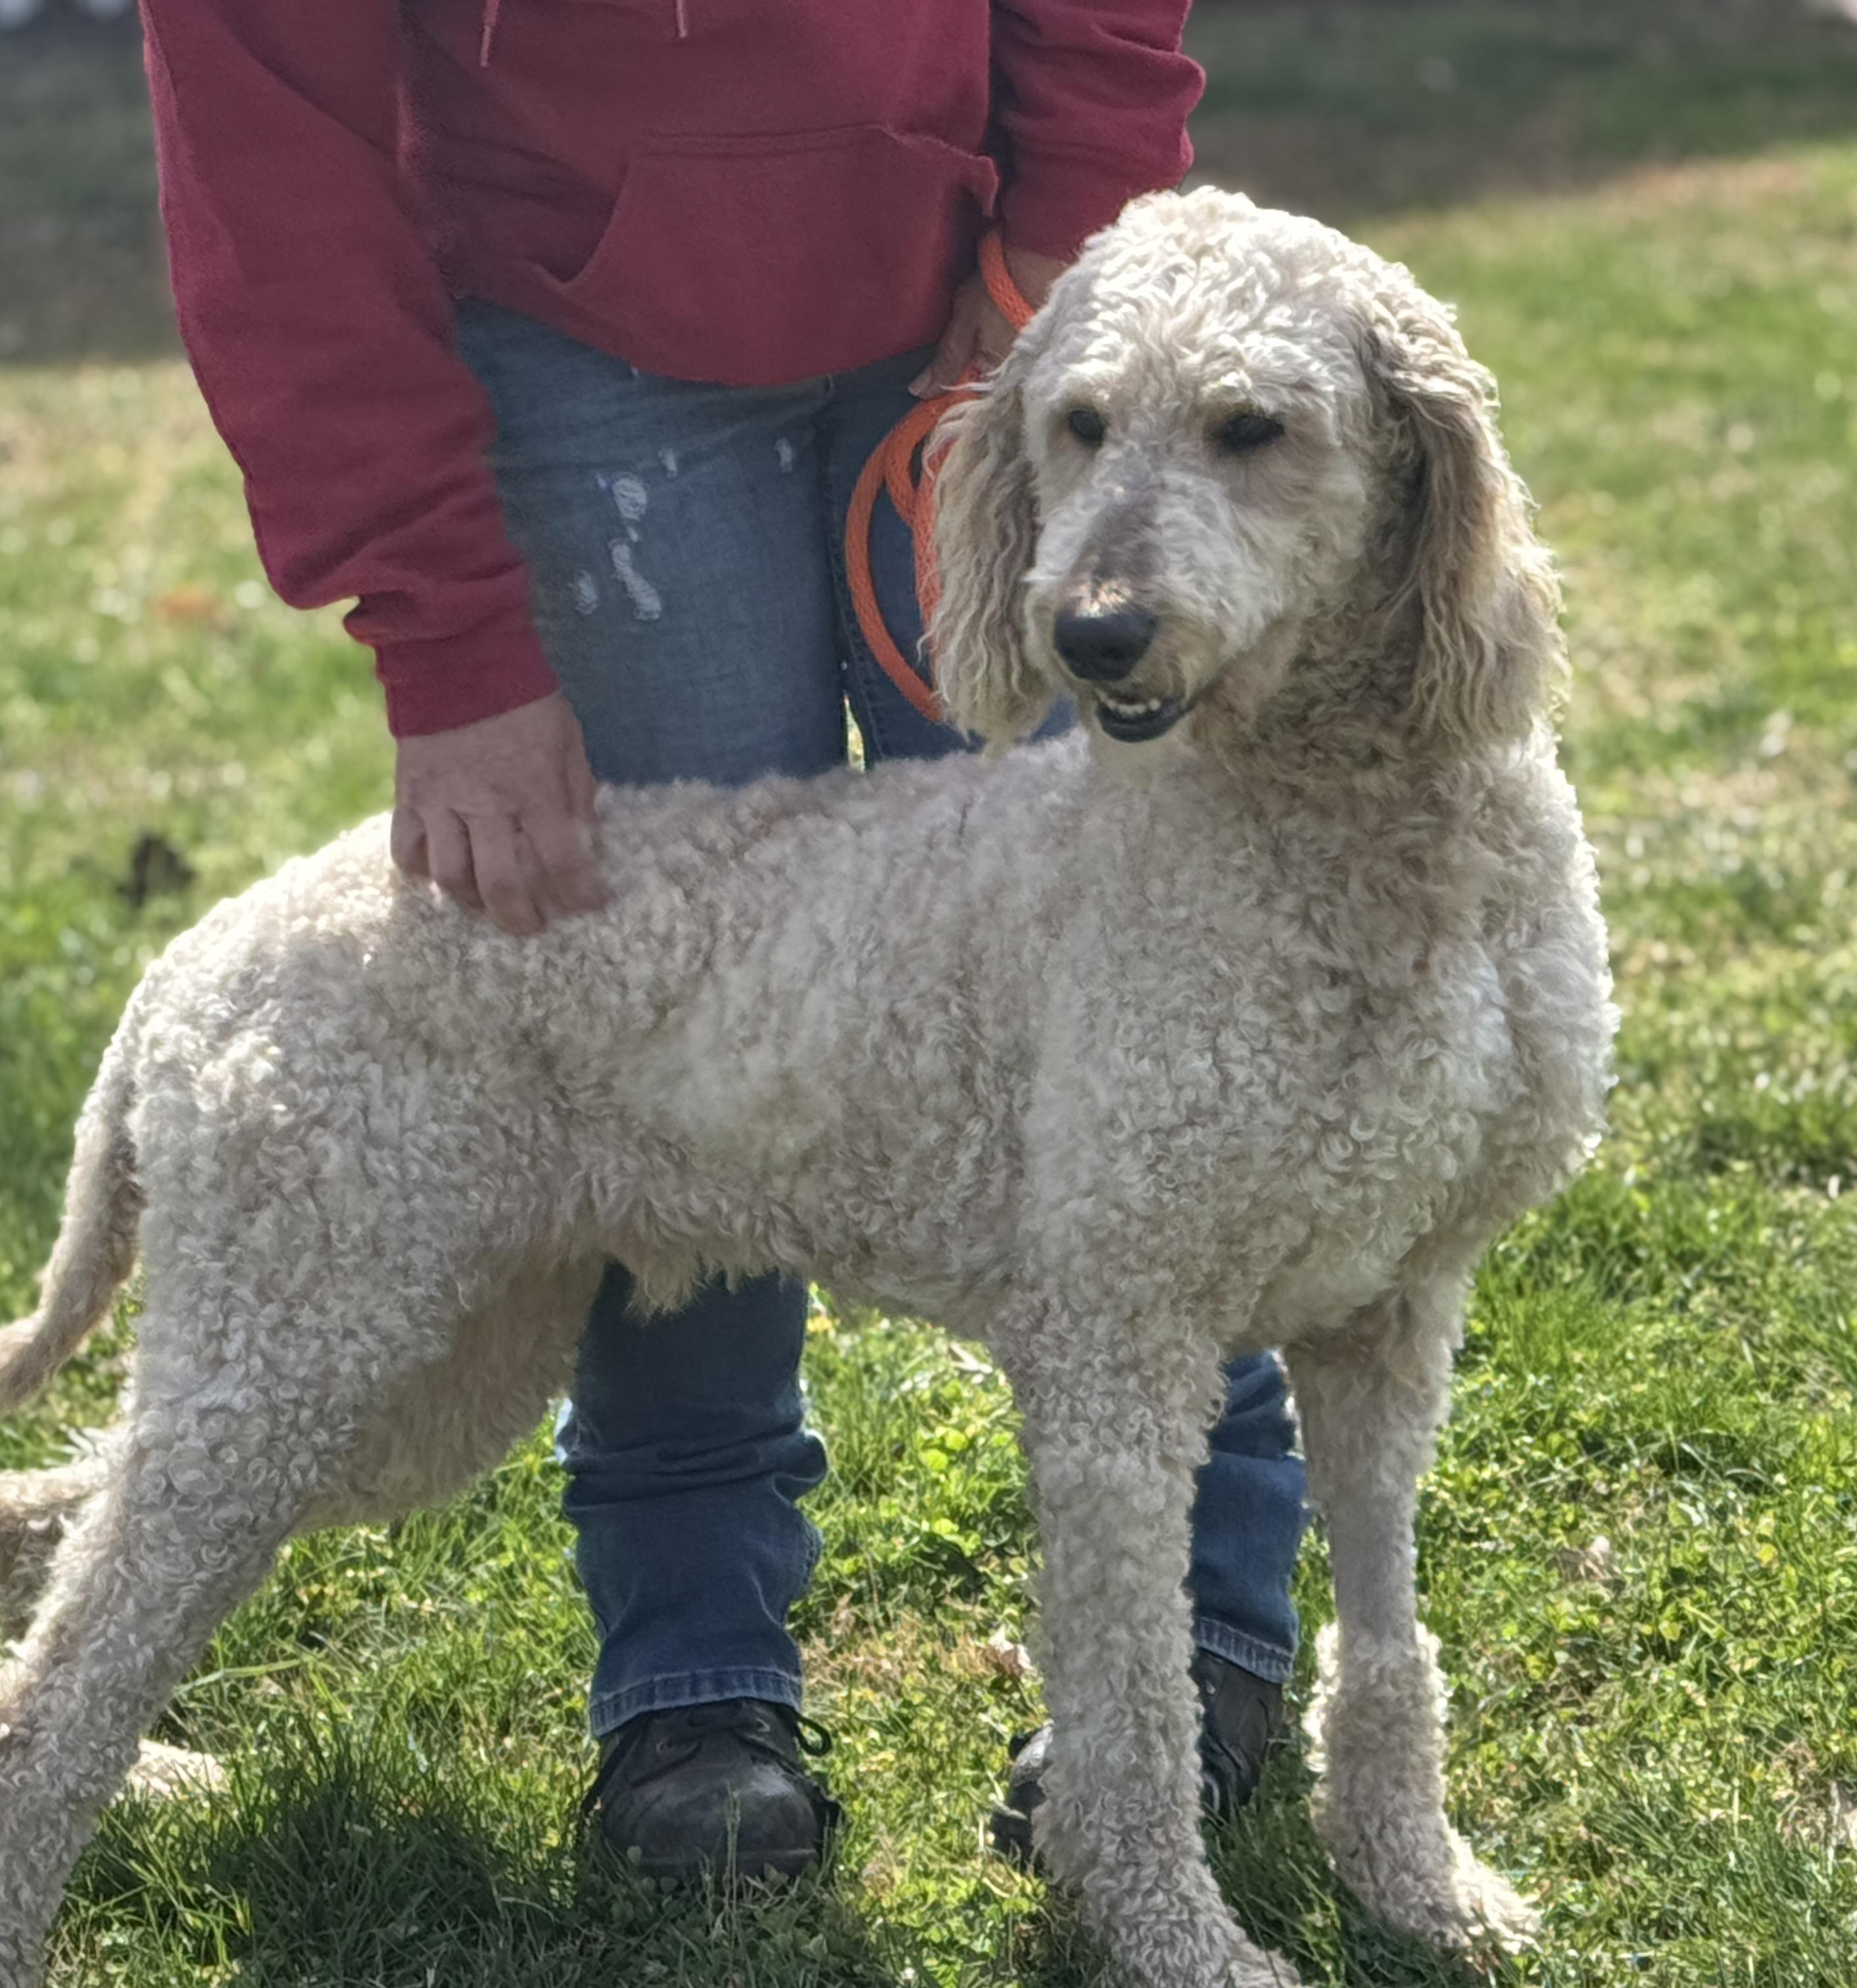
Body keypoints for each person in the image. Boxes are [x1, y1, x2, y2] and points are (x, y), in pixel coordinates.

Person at [135, 0, 1310, 1880]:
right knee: (675, 1061)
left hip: (1002, 302)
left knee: (1139, 993)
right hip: (579, 341)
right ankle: (697, 1686)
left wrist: (1062, 251)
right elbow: (271, 153)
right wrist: (447, 638)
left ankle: (1202, 1634)